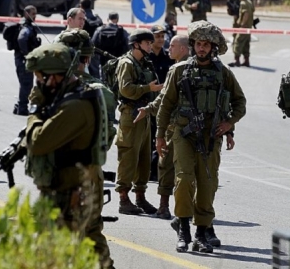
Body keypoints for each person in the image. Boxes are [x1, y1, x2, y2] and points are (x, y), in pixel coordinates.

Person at [156, 21, 246, 253]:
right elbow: (165, 105)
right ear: (193, 45)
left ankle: (201, 233)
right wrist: (159, 135)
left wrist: (229, 124)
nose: (201, 48)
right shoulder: (179, 71)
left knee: (207, 183)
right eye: (198, 44)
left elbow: (239, 102)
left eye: (206, 44)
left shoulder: (223, 73)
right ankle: (183, 229)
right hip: (184, 133)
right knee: (184, 179)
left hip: (211, 136)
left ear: (213, 47)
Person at [23, 43, 113, 268]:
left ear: (54, 77)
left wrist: (34, 112)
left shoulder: (75, 106)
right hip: (78, 185)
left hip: (72, 193)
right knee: (92, 244)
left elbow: (38, 142)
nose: (38, 83)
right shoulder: (73, 97)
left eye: (40, 78)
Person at [134, 34, 190, 220]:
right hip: (188, 126)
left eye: (172, 45)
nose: (168, 49)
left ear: (183, 49)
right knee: (184, 168)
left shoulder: (178, 69)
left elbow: (164, 99)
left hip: (177, 126)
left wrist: (149, 109)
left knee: (167, 165)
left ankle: (166, 207)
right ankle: (184, 208)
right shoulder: (193, 67)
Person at [115, 29, 163, 215]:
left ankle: (140, 197)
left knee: (144, 158)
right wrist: (147, 88)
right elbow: (125, 89)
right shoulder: (126, 63)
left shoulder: (145, 63)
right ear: (136, 44)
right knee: (128, 157)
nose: (151, 46)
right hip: (131, 115)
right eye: (147, 43)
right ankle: (123, 199)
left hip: (145, 114)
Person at [148, 25, 174, 181]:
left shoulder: (169, 58)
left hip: (165, 104)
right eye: (157, 36)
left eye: (162, 36)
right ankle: (149, 170)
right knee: (149, 137)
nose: (160, 39)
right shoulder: (145, 58)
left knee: (162, 137)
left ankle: (160, 170)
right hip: (149, 103)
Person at [14, 5, 41, 116]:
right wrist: (27, 54)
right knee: (26, 84)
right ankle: (22, 108)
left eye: (35, 14)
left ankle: (19, 106)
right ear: (26, 14)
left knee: (25, 84)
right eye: (33, 14)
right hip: (23, 60)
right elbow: (22, 39)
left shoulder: (26, 26)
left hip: (21, 59)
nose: (35, 16)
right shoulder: (26, 27)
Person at [92, 12, 130, 79]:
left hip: (103, 62)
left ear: (108, 19)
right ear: (117, 19)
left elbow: (93, 44)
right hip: (117, 61)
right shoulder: (122, 31)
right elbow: (128, 46)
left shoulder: (100, 30)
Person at [229, 0, 254, 68]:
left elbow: (246, 14)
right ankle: (246, 60)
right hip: (249, 26)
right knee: (246, 43)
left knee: (238, 41)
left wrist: (242, 24)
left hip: (244, 27)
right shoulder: (249, 2)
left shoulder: (243, 3)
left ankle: (236, 60)